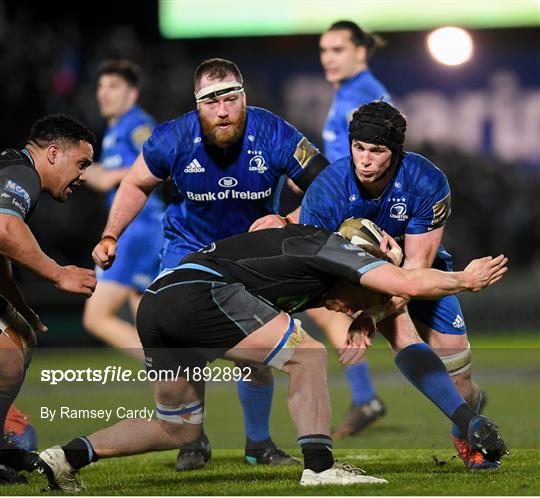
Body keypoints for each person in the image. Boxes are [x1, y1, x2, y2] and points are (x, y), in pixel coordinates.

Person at [37, 222, 508, 491]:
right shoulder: (335, 250)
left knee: (177, 427)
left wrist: (369, 313)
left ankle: (65, 457)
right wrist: (466, 280)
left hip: (160, 303)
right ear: (359, 262)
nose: (354, 303)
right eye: (365, 285)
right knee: (308, 356)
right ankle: (320, 467)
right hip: (201, 292)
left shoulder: (317, 268)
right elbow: (405, 284)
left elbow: (385, 300)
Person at [90, 58, 330, 470]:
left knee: (259, 352)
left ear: (244, 97)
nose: (222, 110)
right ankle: (191, 440)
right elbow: (134, 182)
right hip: (186, 251)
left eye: (231, 99)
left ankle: (258, 444)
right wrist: (111, 234)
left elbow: (327, 184)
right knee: (184, 347)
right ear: (197, 104)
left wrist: (288, 219)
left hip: (250, 257)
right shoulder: (172, 138)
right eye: (211, 101)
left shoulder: (274, 132)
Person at [300, 100, 499, 469]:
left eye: (377, 150)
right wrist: (365, 310)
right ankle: (471, 433)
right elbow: (318, 268)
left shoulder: (426, 182)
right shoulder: (325, 192)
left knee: (459, 368)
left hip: (416, 271)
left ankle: (464, 420)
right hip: (352, 279)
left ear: (396, 151)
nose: (365, 159)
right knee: (402, 332)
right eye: (358, 148)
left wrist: (371, 317)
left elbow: (415, 273)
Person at [0, 114, 97, 484]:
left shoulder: (12, 168)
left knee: (20, 336)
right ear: (53, 153)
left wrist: (18, 303)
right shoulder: (21, 173)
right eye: (82, 163)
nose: (84, 175)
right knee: (9, 356)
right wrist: (59, 273)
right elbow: (5, 230)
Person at [309, 20, 392, 436]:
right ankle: (463, 395)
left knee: (332, 307)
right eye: (324, 50)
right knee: (390, 317)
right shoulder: (350, 92)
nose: (328, 57)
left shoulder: (361, 97)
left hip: (357, 221)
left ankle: (366, 398)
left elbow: (372, 165)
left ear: (360, 51)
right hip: (350, 215)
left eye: (337, 49)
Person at [82, 60, 164, 360]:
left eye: (113, 86)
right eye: (101, 86)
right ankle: (177, 388)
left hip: (135, 231)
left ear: (132, 94)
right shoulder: (114, 131)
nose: (104, 93)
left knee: (95, 317)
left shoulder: (138, 125)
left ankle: (170, 369)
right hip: (144, 230)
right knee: (149, 327)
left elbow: (160, 164)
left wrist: (103, 174)